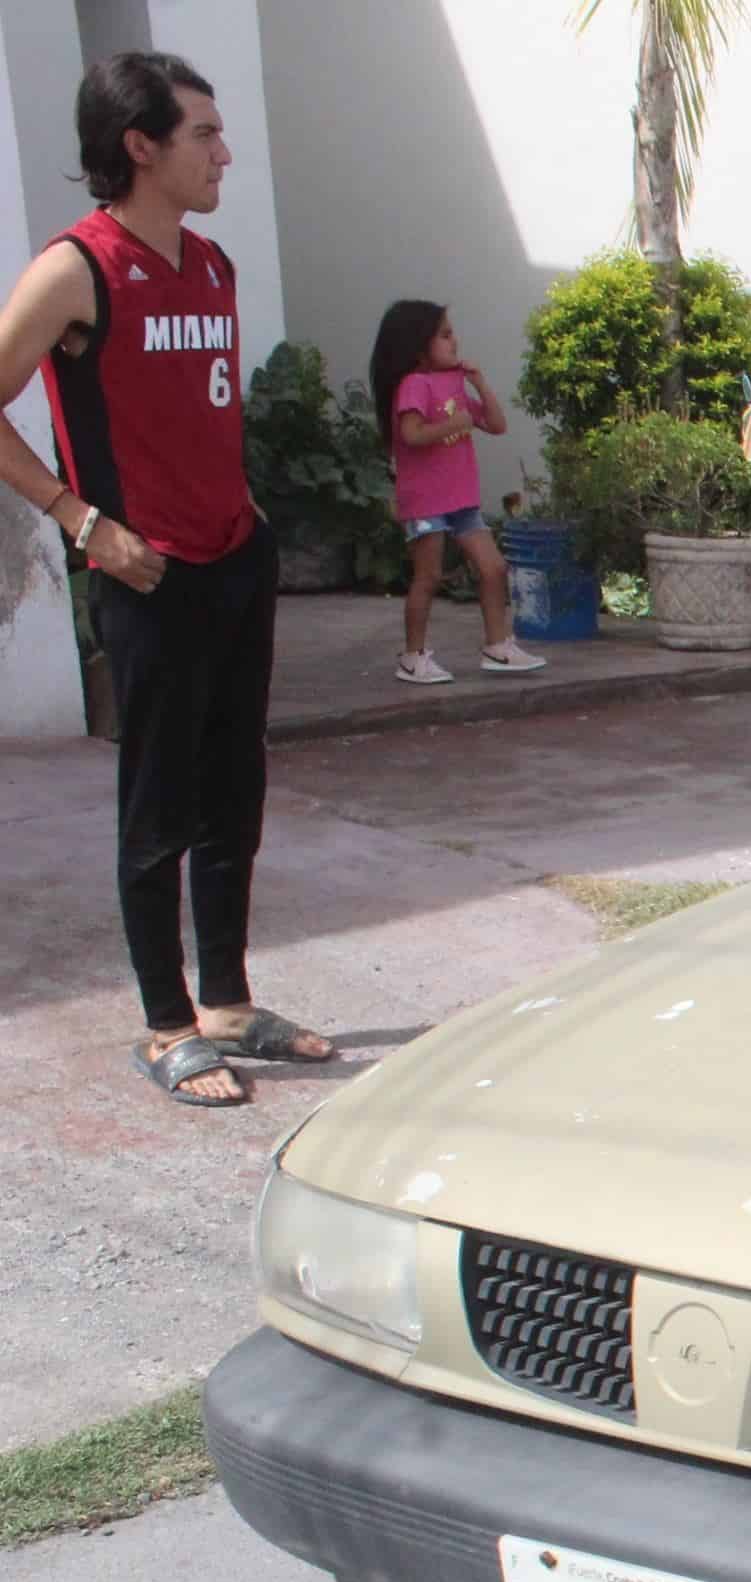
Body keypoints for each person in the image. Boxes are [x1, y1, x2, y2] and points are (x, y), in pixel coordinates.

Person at [0, 50, 334, 1107]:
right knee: (158, 802)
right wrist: (79, 519)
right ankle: (164, 1021)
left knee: (235, 786)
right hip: (147, 573)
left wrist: (249, 519)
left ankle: (229, 999)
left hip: (236, 556)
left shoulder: (213, 264)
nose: (222, 152)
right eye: (202, 134)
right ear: (138, 146)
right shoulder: (75, 268)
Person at [368, 298, 540, 685]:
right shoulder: (414, 384)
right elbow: (411, 435)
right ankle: (413, 657)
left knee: (493, 567)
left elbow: (496, 425)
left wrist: (478, 383)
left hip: (461, 499)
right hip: (426, 502)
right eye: (445, 335)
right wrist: (453, 424)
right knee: (427, 576)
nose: (455, 341)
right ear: (418, 346)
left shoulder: (455, 383)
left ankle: (498, 646)